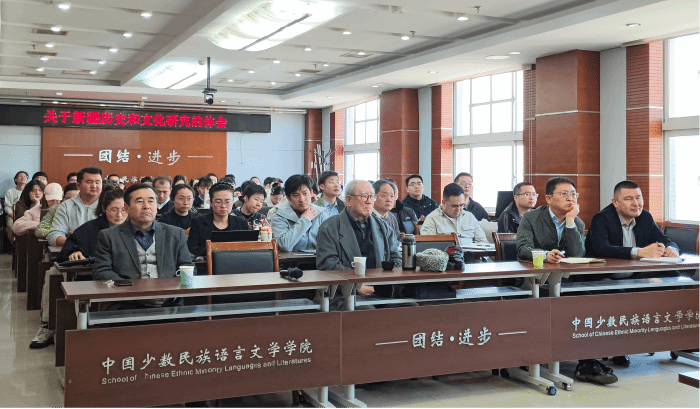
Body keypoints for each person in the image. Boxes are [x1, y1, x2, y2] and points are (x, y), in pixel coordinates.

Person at [516, 178, 615, 385]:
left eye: (573, 194)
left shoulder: (576, 222)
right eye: (564, 194)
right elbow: (522, 249)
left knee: (590, 299)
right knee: (572, 302)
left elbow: (578, 255)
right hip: (536, 282)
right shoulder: (531, 218)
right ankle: (580, 360)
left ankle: (587, 360)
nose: (570, 198)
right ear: (548, 198)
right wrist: (544, 255)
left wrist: (570, 222)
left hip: (566, 281)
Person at [30, 186, 126, 349]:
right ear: (104, 209)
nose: (119, 215)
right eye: (114, 210)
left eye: (123, 210)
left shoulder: (134, 228)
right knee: (53, 273)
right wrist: (73, 253)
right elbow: (68, 247)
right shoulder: (89, 228)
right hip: (91, 277)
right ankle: (48, 325)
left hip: (124, 279)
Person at [93, 183, 194, 310]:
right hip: (126, 303)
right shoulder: (109, 236)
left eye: (151, 201)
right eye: (139, 201)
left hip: (169, 303)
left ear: (156, 206)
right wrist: (135, 293)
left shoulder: (175, 233)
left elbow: (188, 267)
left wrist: (169, 293)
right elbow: (102, 271)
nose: (146, 206)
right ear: (126, 207)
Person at [316, 180, 402, 301]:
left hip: (381, 290)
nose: (369, 201)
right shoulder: (330, 227)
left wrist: (383, 284)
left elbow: (396, 259)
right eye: (364, 196)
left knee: (413, 308)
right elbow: (328, 264)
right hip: (345, 293)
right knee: (370, 311)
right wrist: (356, 286)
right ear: (349, 200)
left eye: (372, 196)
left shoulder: (383, 227)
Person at [586, 180, 680, 265]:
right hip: (607, 272)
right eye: (628, 199)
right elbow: (602, 249)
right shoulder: (601, 219)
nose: (636, 203)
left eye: (638, 198)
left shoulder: (645, 217)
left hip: (636, 271)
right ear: (615, 202)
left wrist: (672, 249)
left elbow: (665, 241)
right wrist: (639, 252)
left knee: (674, 274)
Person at [269, 174, 331, 253]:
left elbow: (332, 244)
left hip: (319, 259)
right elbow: (285, 245)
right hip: (291, 260)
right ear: (288, 198)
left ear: (311, 193)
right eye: (296, 195)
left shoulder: (321, 213)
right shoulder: (278, 215)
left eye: (305, 193)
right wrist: (305, 220)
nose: (302, 199)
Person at [188, 183, 249, 257]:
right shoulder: (198, 223)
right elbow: (192, 249)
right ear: (210, 202)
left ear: (232, 201)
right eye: (218, 202)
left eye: (227, 202)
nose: (223, 206)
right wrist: (218, 249)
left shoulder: (241, 223)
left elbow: (248, 248)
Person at [48, 167, 103, 247]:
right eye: (89, 182)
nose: (94, 186)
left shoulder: (108, 205)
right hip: (74, 251)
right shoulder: (65, 206)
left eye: (97, 182)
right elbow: (54, 235)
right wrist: (72, 242)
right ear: (78, 185)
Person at [421, 183, 488, 247]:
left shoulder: (469, 217)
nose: (458, 209)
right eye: (454, 206)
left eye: (461, 205)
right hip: (446, 254)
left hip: (471, 254)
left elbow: (482, 241)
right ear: (444, 202)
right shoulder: (432, 219)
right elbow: (428, 246)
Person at [372, 180, 401, 248]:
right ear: (373, 197)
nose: (389, 200)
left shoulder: (391, 217)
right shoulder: (367, 217)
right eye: (384, 195)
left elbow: (397, 240)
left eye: (391, 196)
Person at [5, 171, 28, 240]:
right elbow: (7, 206)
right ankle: (14, 243)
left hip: (26, 215)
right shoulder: (10, 191)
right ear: (15, 179)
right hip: (12, 215)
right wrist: (11, 214)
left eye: (25, 176)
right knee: (11, 226)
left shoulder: (29, 191)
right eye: (20, 176)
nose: (23, 178)